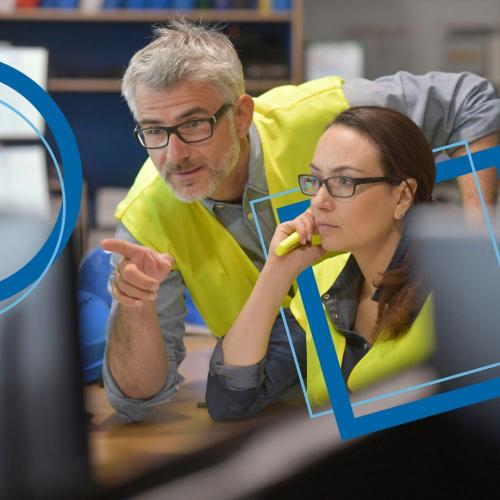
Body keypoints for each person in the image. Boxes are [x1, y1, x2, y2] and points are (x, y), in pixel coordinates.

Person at [101, 19, 499, 422]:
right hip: (287, 410)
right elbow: (138, 399)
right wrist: (134, 305)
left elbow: (469, 100)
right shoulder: (145, 214)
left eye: (193, 124)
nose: (174, 155)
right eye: (155, 130)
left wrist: (476, 248)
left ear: (241, 116)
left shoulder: (328, 116)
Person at [205, 105, 435, 420]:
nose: (318, 202)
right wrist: (277, 272)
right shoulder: (324, 281)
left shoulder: (458, 286)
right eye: (317, 180)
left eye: (344, 182)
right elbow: (229, 400)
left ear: (403, 196)